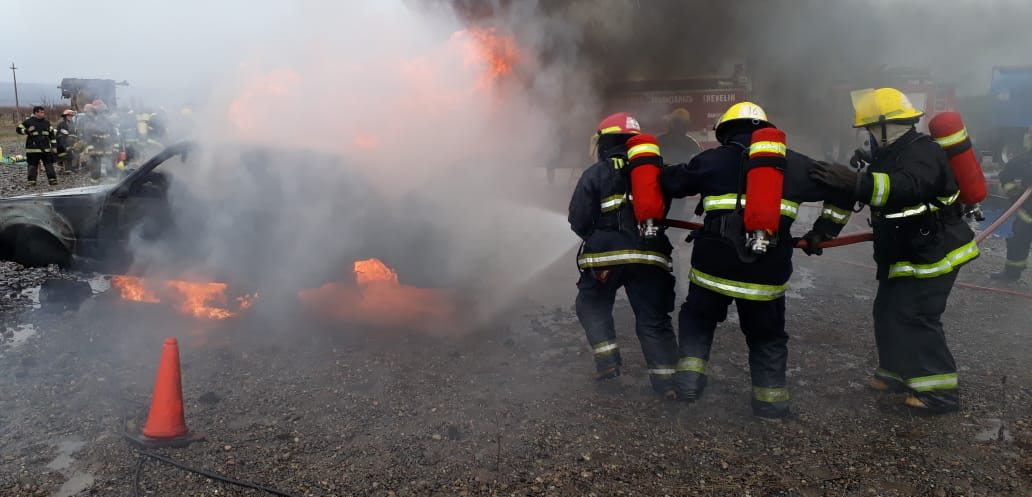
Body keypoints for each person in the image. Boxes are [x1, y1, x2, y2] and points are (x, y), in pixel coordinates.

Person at [659, 101, 855, 418]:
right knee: (767, 336)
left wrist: (663, 169)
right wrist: (824, 230)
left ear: (726, 131)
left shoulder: (712, 159)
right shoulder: (797, 164)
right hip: (767, 272)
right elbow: (845, 190)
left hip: (713, 267)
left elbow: (672, 184)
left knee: (698, 321)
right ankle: (770, 402)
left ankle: (688, 385)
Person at [810, 87, 978, 414]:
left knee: (914, 315)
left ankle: (940, 393)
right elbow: (854, 195)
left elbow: (907, 188)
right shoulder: (887, 155)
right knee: (886, 310)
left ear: (888, 126)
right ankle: (897, 373)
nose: (870, 136)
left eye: (872, 128)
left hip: (935, 252)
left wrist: (857, 181)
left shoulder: (923, 153)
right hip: (904, 250)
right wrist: (823, 231)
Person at [568, 112, 680, 399]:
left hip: (607, 257)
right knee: (652, 317)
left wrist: (598, 237)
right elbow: (666, 210)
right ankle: (666, 383)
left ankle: (607, 363)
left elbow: (577, 218)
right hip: (650, 256)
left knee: (591, 303)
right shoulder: (653, 170)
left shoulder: (596, 173)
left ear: (604, 142)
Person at [990, 149, 1032, 282]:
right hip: (1027, 212)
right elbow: (1006, 176)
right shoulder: (1024, 160)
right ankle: (1011, 274)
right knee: (1018, 242)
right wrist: (1017, 197)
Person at [16, 106, 59, 186]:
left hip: (45, 148)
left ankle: (52, 180)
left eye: (43, 112)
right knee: (32, 165)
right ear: (36, 113)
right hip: (33, 149)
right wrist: (27, 130)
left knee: (49, 164)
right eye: (41, 112)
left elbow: (52, 135)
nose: (43, 114)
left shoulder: (46, 123)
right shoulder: (28, 122)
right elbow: (18, 130)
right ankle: (31, 181)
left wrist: (54, 146)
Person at [56, 109, 79, 174]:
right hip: (62, 142)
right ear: (65, 116)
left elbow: (75, 134)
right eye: (69, 115)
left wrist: (77, 141)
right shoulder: (61, 124)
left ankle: (72, 168)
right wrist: (65, 146)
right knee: (64, 154)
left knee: (73, 154)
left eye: (71, 116)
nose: (70, 117)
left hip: (71, 141)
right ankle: (62, 167)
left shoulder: (73, 124)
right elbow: (61, 136)